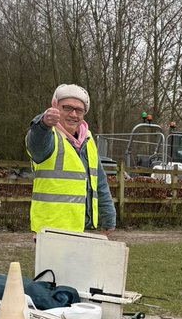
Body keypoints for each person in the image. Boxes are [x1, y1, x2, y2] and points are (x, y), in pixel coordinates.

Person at [25, 84, 116, 235]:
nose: (73, 114)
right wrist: (43, 124)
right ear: (56, 106)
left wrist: (109, 216)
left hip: (83, 228)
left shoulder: (88, 140)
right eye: (67, 108)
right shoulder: (48, 137)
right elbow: (37, 144)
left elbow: (99, 182)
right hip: (51, 230)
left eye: (79, 110)